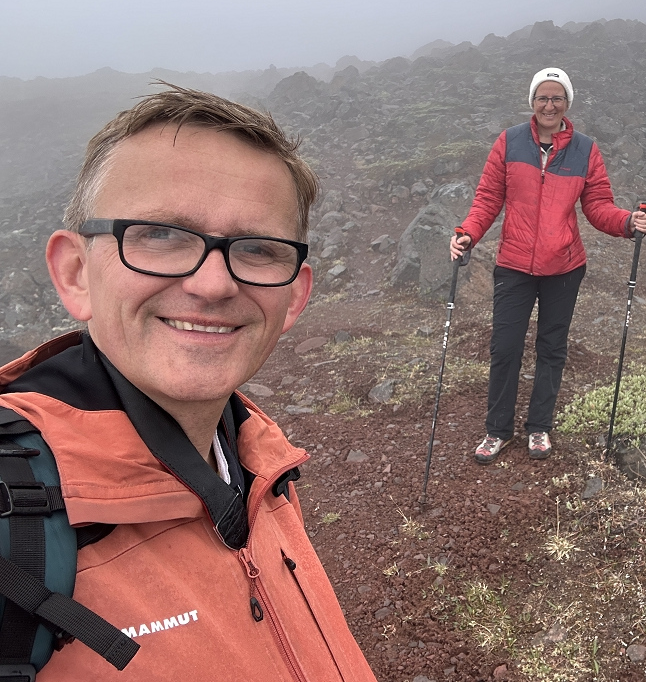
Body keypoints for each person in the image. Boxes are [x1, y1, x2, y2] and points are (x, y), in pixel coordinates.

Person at [0, 85, 378, 681]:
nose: (211, 285)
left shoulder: (258, 462)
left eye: (256, 248)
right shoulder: (15, 512)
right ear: (74, 273)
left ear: (295, 296)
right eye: (160, 235)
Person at [450, 67, 646, 464]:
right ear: (532, 102)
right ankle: (497, 431)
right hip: (514, 265)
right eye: (542, 97)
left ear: (567, 103)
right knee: (504, 348)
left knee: (552, 348)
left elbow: (597, 206)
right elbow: (488, 198)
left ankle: (539, 427)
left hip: (564, 266)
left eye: (557, 97)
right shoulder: (509, 142)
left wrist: (627, 222)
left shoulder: (585, 149)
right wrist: (468, 233)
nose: (549, 104)